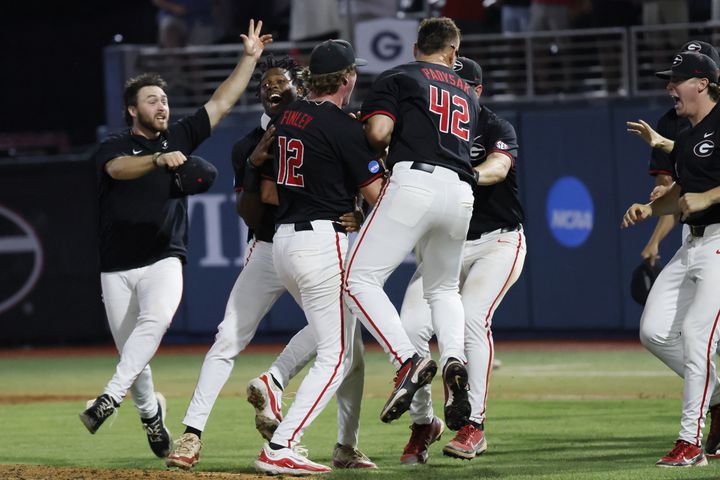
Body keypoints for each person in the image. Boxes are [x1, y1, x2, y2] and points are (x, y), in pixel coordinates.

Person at [165, 54, 375, 471]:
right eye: (264, 85)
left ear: (302, 88)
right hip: (270, 246)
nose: (271, 89)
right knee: (230, 337)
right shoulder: (250, 143)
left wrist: (356, 212)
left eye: (281, 83)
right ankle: (193, 433)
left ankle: (342, 441)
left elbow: (348, 187)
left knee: (347, 342)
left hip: (304, 241)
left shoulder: (321, 126)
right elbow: (251, 212)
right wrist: (253, 164)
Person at [78, 20, 272, 459]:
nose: (161, 106)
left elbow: (221, 102)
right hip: (116, 265)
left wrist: (249, 59)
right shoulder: (115, 146)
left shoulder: (180, 135)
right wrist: (156, 159)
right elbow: (117, 171)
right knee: (135, 355)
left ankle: (108, 397)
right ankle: (151, 415)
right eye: (152, 100)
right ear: (133, 110)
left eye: (164, 99)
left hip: (165, 257)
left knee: (155, 323)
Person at [253, 39, 385, 475]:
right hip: (321, 240)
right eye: (354, 73)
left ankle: (280, 387)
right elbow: (377, 195)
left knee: (342, 338)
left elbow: (274, 188)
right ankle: (282, 445)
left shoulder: (288, 116)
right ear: (347, 78)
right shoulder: (342, 125)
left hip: (285, 242)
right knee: (338, 354)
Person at [343, 16, 478, 432]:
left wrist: (362, 131)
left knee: (357, 280)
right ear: (452, 52)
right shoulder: (468, 93)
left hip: (415, 181)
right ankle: (455, 356)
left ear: (416, 44)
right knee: (443, 288)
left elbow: (379, 133)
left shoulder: (400, 75)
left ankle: (407, 358)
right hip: (460, 192)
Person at [397, 56, 526, 464]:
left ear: (477, 91)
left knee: (471, 318)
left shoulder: (494, 126)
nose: (454, 91)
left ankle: (475, 425)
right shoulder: (429, 128)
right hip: (445, 246)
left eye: (462, 85)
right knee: (410, 327)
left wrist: (464, 174)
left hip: (497, 242)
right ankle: (424, 423)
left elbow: (499, 167)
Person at [621, 50, 720, 467]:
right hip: (691, 242)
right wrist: (651, 209)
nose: (669, 87)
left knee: (698, 335)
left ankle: (690, 443)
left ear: (701, 83)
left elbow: (703, 195)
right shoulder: (687, 133)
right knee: (655, 331)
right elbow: (681, 195)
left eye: (676, 80)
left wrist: (711, 196)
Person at [627, 41, 720, 267]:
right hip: (693, 233)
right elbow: (682, 185)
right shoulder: (675, 123)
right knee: (660, 303)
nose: (671, 86)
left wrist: (706, 196)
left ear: (708, 79)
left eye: (679, 79)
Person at [152, 0, 218, 48]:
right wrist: (174, 7)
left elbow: (216, 4)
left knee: (197, 52)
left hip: (202, 18)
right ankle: (175, 64)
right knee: (170, 28)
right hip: (174, 15)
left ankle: (196, 65)